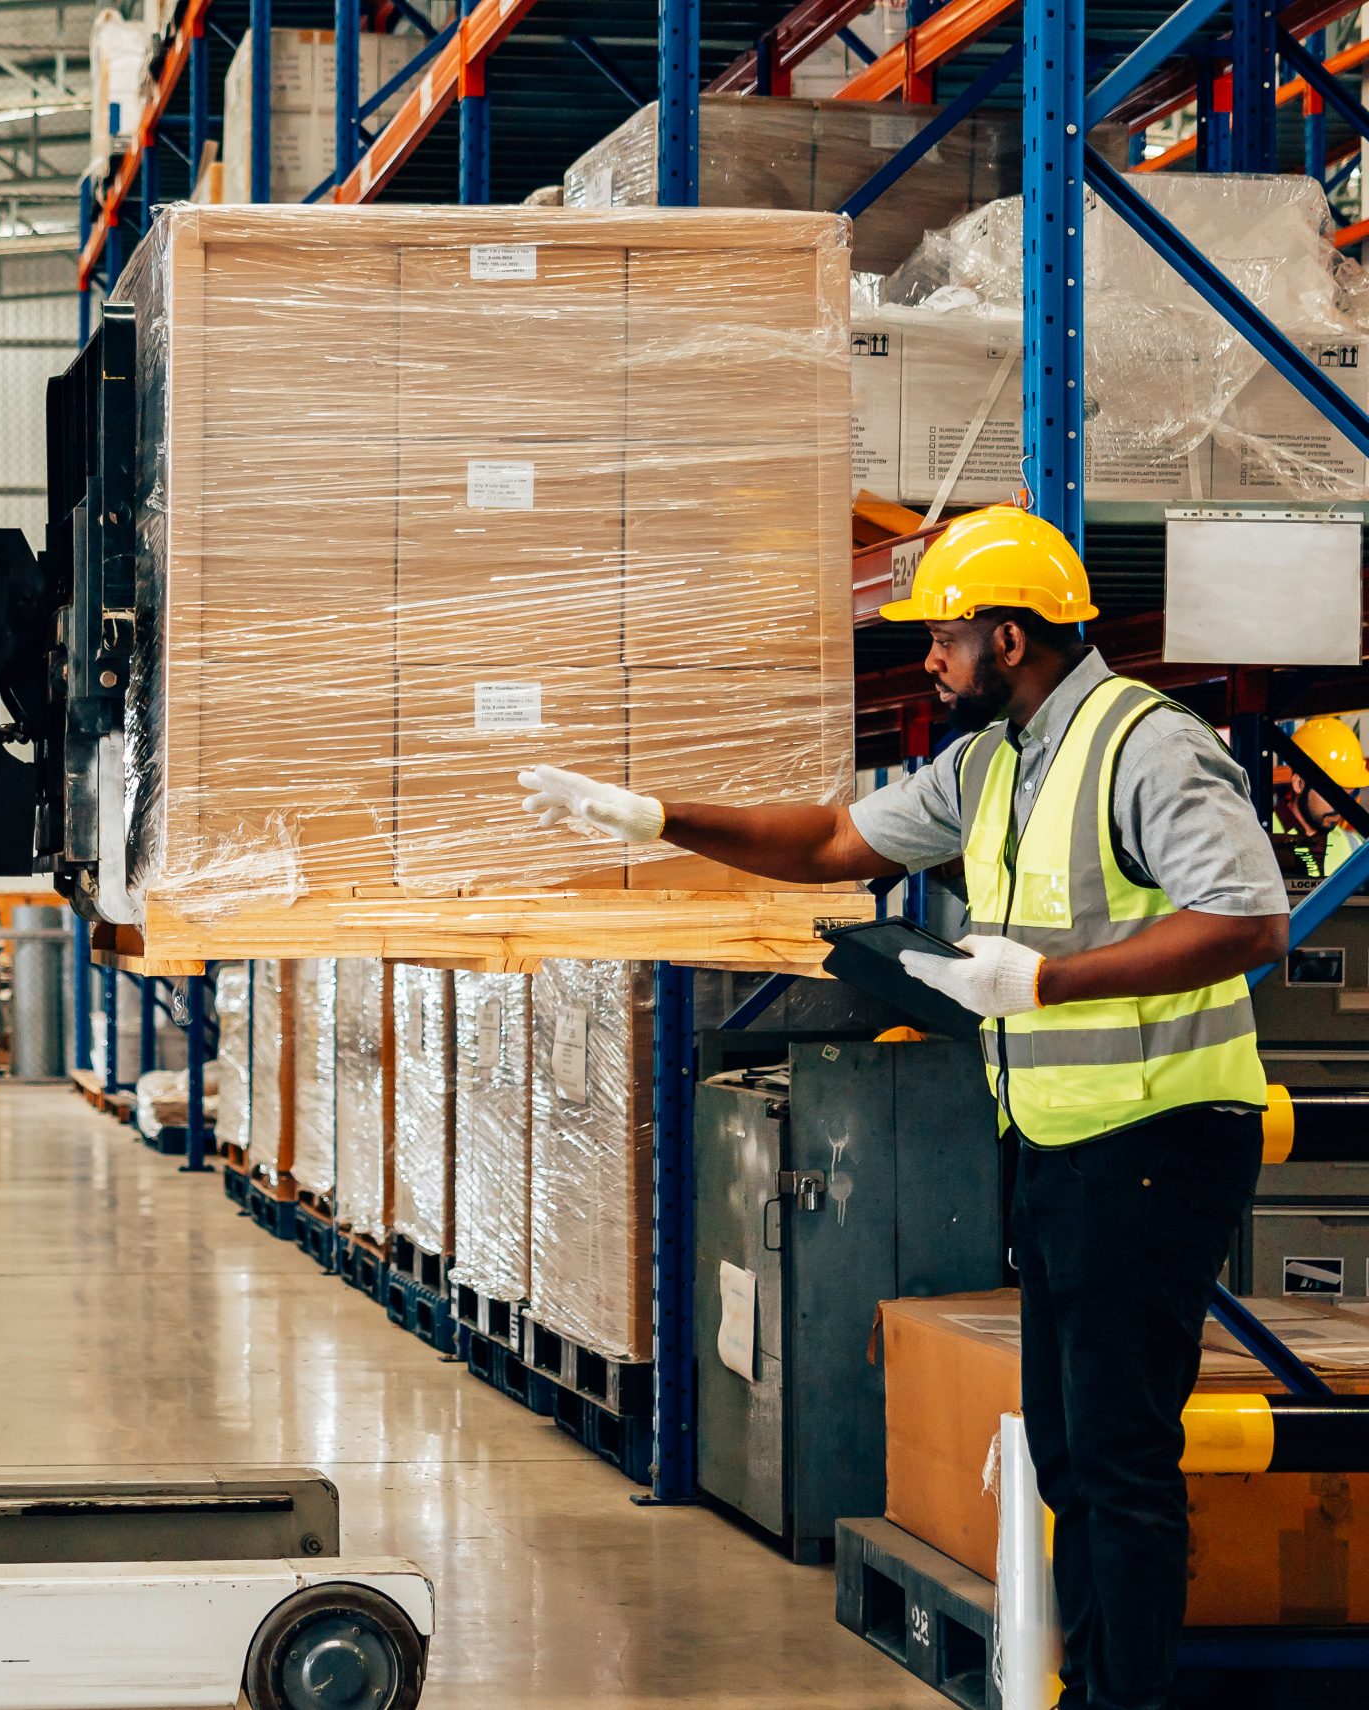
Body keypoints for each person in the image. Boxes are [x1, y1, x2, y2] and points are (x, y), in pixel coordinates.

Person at [516, 504, 1286, 1710]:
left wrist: (1045, 980)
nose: (926, 657)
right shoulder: (994, 761)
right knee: (1078, 1459)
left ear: (1013, 637)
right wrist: (657, 818)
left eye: (943, 636)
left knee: (1119, 1462)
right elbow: (831, 839)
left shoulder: (1144, 744)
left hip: (1158, 1141)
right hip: (1062, 1144)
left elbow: (1247, 920)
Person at [1279, 714, 1366, 879]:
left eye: (1349, 794)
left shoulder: (1354, 846)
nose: (1340, 807)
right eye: (1332, 794)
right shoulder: (1261, 834)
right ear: (1298, 783)